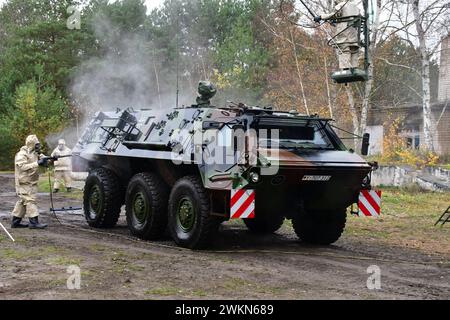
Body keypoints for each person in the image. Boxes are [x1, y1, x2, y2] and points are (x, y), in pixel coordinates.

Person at [11, 135, 49, 229]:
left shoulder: (35, 153)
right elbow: (22, 167)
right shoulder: (22, 154)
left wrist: (48, 160)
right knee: (30, 200)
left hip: (30, 181)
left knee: (23, 201)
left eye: (38, 145)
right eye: (36, 145)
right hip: (23, 182)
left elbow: (42, 163)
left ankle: (15, 222)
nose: (38, 147)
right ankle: (34, 222)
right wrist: (37, 163)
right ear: (31, 144)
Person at [315, 0, 361, 70]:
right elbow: (350, 18)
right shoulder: (355, 7)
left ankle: (346, 70)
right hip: (353, 34)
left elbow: (334, 15)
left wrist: (321, 17)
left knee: (344, 50)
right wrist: (336, 22)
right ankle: (354, 69)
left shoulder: (341, 5)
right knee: (353, 50)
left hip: (344, 33)